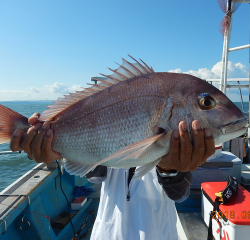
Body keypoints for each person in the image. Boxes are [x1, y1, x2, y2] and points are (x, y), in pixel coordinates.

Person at [10, 113, 215, 240]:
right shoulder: (116, 135)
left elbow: (178, 193)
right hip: (108, 233)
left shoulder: (180, 149)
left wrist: (169, 169)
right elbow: (96, 173)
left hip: (157, 233)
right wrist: (53, 147)